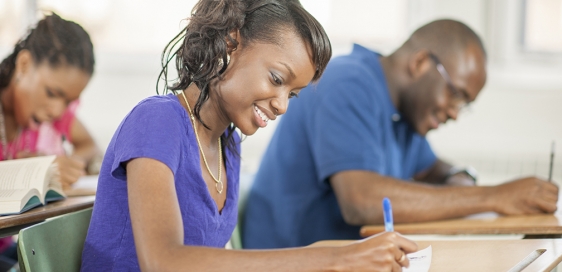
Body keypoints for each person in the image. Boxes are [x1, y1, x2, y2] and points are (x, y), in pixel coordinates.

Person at [81, 0, 417, 271]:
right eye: (276, 79)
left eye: (293, 94)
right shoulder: (157, 120)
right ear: (230, 44)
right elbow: (165, 261)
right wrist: (336, 259)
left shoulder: (228, 145)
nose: (283, 105)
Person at [242, 19, 560, 249]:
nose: (453, 112)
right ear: (421, 63)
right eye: (456, 95)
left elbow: (433, 169)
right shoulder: (347, 83)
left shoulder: (405, 114)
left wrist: (459, 176)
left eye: (464, 106)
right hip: (291, 260)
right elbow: (363, 201)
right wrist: (495, 197)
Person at [0, 13, 98, 268]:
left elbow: (90, 146)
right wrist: (33, 169)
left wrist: (67, 164)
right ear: (23, 65)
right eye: (53, 93)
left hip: (14, 243)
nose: (58, 110)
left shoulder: (49, 115)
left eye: (68, 101)